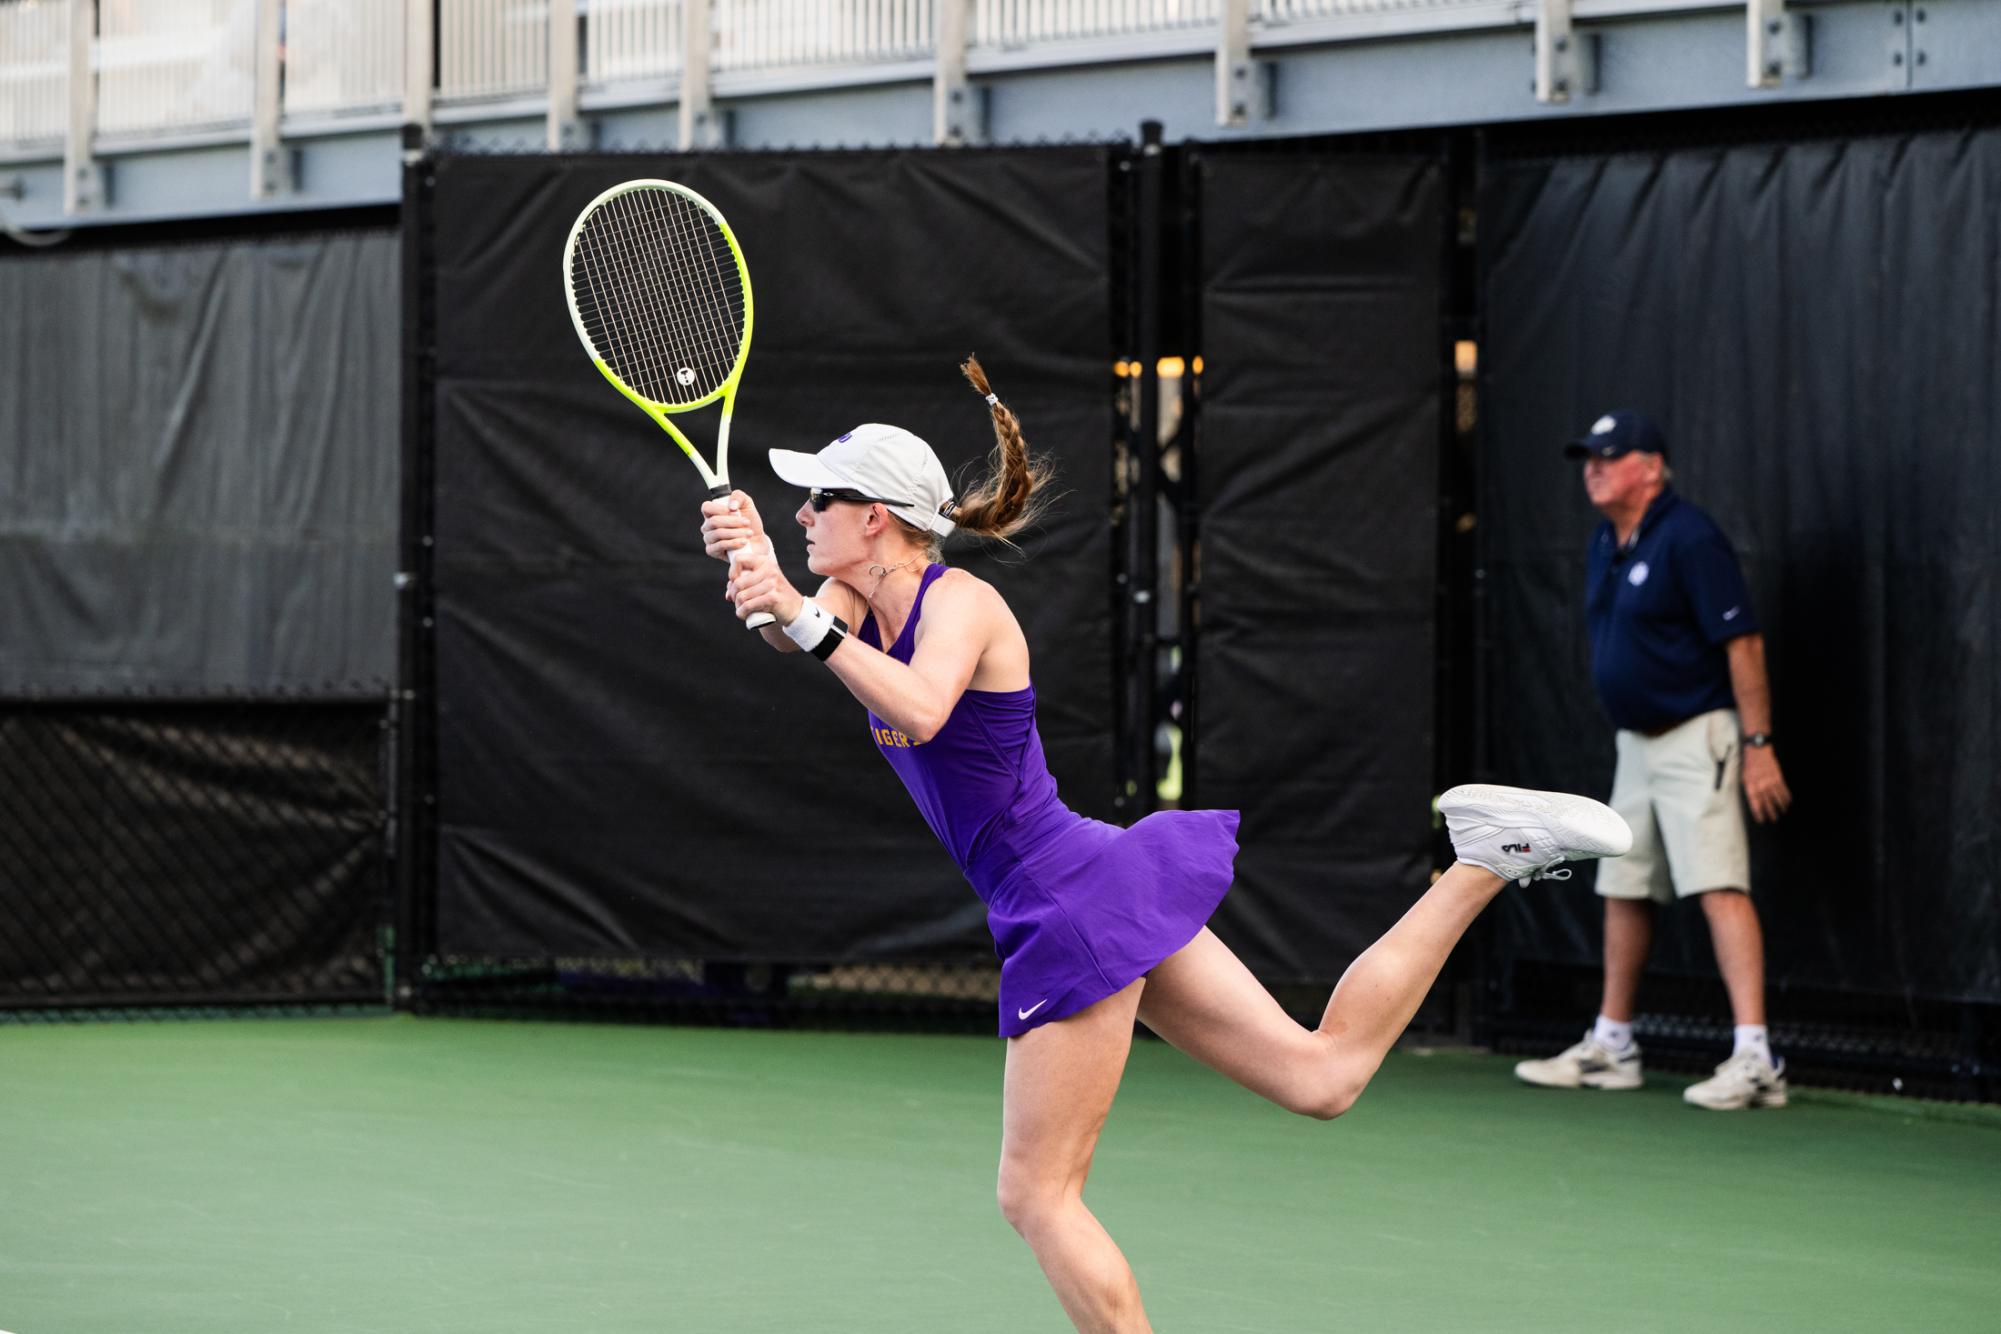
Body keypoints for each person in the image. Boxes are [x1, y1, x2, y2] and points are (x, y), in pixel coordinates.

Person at [700, 357, 1632, 1332]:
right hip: (1085, 882)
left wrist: (795, 611)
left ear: (877, 517)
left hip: (1065, 900)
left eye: (817, 500)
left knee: (1036, 1193)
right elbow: (794, 633)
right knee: (1323, 1077)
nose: (803, 513)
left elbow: (924, 708)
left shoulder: (965, 604)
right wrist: (763, 572)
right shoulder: (857, 608)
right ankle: (1487, 854)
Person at [1514, 410, 1794, 1112]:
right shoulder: (1603, 542)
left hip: (1698, 736)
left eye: (1610, 457)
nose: (1594, 468)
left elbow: (1744, 644)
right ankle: (1613, 1044)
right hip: (1633, 744)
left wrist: (1756, 747)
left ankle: (1756, 1058)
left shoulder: (1690, 538)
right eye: (1588, 457)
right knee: (1623, 884)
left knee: (1717, 881)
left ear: (1651, 466)